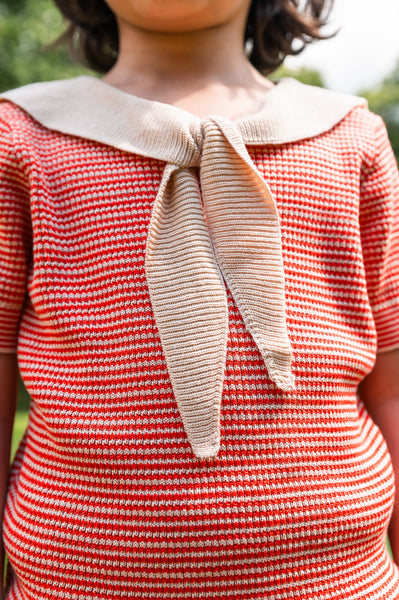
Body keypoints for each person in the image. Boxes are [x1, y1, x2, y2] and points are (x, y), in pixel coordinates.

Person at [0, 0, 398, 598]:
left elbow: (391, 380)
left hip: (339, 579)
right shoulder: (24, 135)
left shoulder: (350, 136)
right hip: (76, 580)